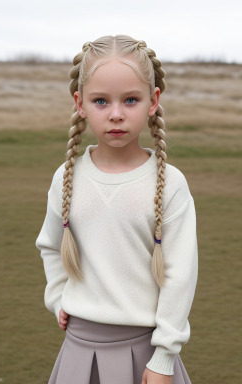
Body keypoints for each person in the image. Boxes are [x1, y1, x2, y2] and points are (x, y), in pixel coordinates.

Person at [35, 34, 198, 384]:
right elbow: (50, 244)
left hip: (146, 355)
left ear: (153, 101)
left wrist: (164, 358)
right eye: (100, 101)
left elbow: (180, 275)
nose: (116, 114)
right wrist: (58, 295)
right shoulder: (67, 177)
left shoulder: (170, 183)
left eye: (130, 100)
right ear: (80, 104)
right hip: (78, 351)